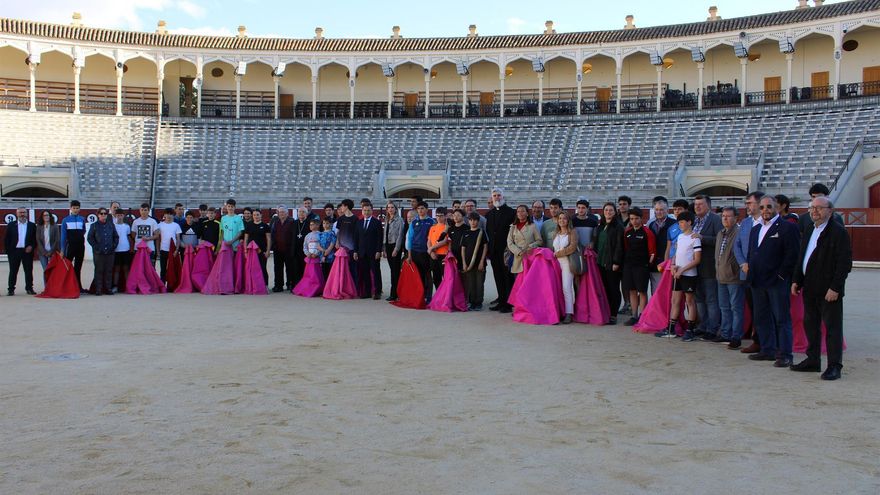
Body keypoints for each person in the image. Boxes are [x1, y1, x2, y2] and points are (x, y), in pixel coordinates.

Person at [791, 197, 852, 380]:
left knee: (832, 328)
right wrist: (797, 279)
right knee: (811, 325)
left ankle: (834, 366)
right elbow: (803, 256)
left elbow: (844, 264)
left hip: (828, 290)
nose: (814, 211)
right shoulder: (810, 229)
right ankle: (813, 360)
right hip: (809, 287)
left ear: (830, 211)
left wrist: (835, 288)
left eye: (819, 208)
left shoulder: (838, 232)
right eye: (812, 207)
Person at [747, 195, 801, 368]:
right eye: (762, 207)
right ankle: (768, 349)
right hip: (758, 281)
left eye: (769, 206)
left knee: (781, 318)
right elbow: (752, 254)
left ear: (777, 207)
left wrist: (782, 276)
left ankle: (785, 354)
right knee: (761, 317)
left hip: (776, 281)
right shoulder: (755, 229)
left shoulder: (787, 227)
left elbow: (792, 254)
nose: (765, 210)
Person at [691, 195, 723, 340]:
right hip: (693, 266)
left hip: (709, 265)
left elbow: (721, 240)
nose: (697, 207)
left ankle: (712, 327)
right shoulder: (693, 220)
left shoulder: (715, 219)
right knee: (699, 299)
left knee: (711, 299)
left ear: (708, 205)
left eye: (700, 204)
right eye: (696, 204)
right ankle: (703, 325)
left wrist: (702, 238)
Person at [667, 211, 701, 341]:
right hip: (678, 273)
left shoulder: (695, 238)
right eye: (679, 222)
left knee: (689, 301)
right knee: (675, 301)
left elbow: (697, 260)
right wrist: (673, 265)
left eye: (682, 222)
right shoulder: (680, 237)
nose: (680, 224)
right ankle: (671, 328)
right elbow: (676, 254)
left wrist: (682, 270)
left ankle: (690, 329)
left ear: (689, 222)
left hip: (689, 275)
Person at [715, 206, 744, 348]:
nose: (725, 218)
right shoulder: (721, 233)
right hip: (721, 275)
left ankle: (736, 336)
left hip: (734, 276)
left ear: (736, 218)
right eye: (723, 216)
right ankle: (725, 333)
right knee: (724, 307)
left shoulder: (739, 232)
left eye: (728, 216)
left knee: (735, 307)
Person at [592, 202, 625, 325]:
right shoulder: (601, 225)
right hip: (600, 261)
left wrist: (616, 262)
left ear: (615, 212)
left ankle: (613, 314)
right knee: (604, 288)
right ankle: (606, 312)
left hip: (612, 262)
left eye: (611, 210)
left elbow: (619, 246)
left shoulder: (618, 226)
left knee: (613, 288)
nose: (608, 212)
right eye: (606, 210)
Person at [622, 207, 655, 326]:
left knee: (642, 291)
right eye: (632, 219)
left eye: (636, 218)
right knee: (632, 291)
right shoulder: (627, 232)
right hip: (629, 266)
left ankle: (643, 315)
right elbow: (626, 248)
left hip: (642, 266)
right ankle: (634, 315)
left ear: (641, 219)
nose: (634, 221)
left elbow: (652, 251)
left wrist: (647, 264)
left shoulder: (647, 232)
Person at [485, 188, 516, 312]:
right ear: (492, 198)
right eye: (494, 196)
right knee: (497, 276)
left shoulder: (511, 213)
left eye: (498, 195)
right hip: (494, 251)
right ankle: (501, 301)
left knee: (507, 277)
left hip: (506, 251)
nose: (497, 197)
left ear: (503, 197)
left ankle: (508, 304)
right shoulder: (489, 214)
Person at [552, 212, 579, 324]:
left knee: (567, 287)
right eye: (560, 218)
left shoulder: (572, 232)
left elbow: (572, 247)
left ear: (568, 221)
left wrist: (558, 254)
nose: (562, 220)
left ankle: (569, 313)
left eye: (564, 218)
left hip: (567, 262)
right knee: (558, 288)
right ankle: (561, 311)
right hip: (556, 263)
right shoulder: (556, 233)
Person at [407, 201, 436, 302]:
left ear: (427, 210)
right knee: (418, 275)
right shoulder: (414, 222)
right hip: (415, 252)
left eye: (422, 208)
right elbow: (410, 238)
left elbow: (434, 238)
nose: (420, 210)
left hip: (426, 252)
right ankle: (420, 295)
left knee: (428, 274)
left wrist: (432, 251)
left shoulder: (432, 222)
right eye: (419, 209)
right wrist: (409, 255)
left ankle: (428, 297)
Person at [506, 204, 542, 285]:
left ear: (527, 213)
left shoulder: (533, 226)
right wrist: (519, 252)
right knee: (518, 284)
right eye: (518, 211)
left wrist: (530, 247)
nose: (520, 213)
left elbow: (539, 241)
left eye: (522, 211)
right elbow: (509, 242)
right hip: (517, 258)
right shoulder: (512, 227)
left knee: (529, 284)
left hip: (529, 257)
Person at [460, 212, 489, 311]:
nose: (473, 222)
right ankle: (472, 302)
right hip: (468, 264)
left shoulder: (481, 232)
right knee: (471, 283)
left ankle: (478, 302)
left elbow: (485, 247)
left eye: (475, 220)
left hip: (479, 263)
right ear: (468, 221)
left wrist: (482, 261)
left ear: (478, 221)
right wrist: (464, 262)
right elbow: (463, 249)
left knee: (479, 283)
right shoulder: (465, 233)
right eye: (471, 220)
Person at [5, 207, 37, 296]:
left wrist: (31, 246)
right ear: (17, 214)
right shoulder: (11, 225)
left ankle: (29, 288)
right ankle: (11, 289)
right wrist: (9, 252)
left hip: (27, 252)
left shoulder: (32, 225)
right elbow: (7, 239)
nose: (22, 214)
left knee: (28, 271)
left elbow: (35, 239)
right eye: (20, 212)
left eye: (24, 212)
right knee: (13, 271)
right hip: (14, 252)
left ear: (27, 214)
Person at [647, 198, 676, 294]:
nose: (659, 212)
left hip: (669, 263)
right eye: (657, 210)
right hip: (655, 263)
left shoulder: (674, 224)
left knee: (668, 292)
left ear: (667, 210)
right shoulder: (650, 225)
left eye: (662, 209)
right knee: (656, 292)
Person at [87, 208, 118, 295]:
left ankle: (108, 289)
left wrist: (113, 246)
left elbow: (116, 237)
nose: (103, 215)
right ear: (98, 215)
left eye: (105, 213)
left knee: (109, 270)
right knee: (98, 271)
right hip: (98, 253)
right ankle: (98, 289)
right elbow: (90, 238)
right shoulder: (94, 225)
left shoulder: (111, 225)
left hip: (110, 252)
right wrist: (96, 247)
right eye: (101, 213)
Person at [355, 201, 383, 299]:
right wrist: (355, 251)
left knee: (376, 272)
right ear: (362, 211)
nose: (366, 212)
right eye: (365, 210)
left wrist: (379, 251)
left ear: (372, 211)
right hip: (362, 252)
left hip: (374, 252)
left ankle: (377, 292)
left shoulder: (377, 222)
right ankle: (367, 292)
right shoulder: (359, 223)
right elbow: (356, 238)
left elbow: (380, 238)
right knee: (365, 272)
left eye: (368, 210)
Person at [60, 200, 88, 291]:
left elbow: (84, 231)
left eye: (77, 208)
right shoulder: (65, 220)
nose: (76, 210)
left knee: (78, 267)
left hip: (80, 246)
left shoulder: (82, 219)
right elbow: (63, 236)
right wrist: (62, 250)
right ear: (70, 208)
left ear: (79, 209)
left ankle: (78, 287)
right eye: (74, 208)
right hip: (70, 246)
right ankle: (66, 286)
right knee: (67, 267)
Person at [383, 201, 405, 302]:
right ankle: (396, 292)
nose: (390, 209)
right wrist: (384, 248)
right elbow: (385, 234)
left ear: (395, 209)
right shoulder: (387, 219)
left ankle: (395, 293)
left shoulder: (399, 220)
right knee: (393, 270)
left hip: (395, 246)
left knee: (395, 271)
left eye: (392, 207)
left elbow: (400, 235)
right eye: (389, 207)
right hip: (388, 245)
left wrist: (396, 249)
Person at [270, 205, 295, 292]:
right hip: (278, 249)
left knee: (290, 268)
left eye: (283, 212)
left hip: (288, 249)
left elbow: (294, 236)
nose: (281, 214)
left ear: (287, 213)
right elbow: (272, 235)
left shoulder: (292, 222)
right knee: (277, 268)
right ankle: (278, 285)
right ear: (278, 213)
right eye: (280, 212)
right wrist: (273, 246)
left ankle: (290, 284)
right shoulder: (275, 222)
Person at [244, 209, 271, 285]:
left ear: (261, 215)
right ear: (252, 216)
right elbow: (246, 239)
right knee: (252, 268)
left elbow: (268, 239)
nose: (256, 216)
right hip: (251, 251)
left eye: (257, 215)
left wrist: (268, 251)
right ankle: (253, 285)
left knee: (262, 268)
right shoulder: (249, 225)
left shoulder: (265, 226)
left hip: (262, 251)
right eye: (254, 215)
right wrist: (245, 250)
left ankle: (265, 285)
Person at [157, 208, 183, 282]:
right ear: (164, 215)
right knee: (163, 269)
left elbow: (178, 239)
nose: (168, 216)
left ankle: (172, 285)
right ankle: (162, 284)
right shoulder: (160, 225)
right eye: (167, 214)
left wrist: (177, 250)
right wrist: (158, 251)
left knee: (173, 268)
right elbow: (158, 239)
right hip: (163, 249)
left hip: (173, 250)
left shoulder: (176, 225)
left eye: (170, 214)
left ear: (173, 215)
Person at [427, 207, 450, 290]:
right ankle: (438, 296)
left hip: (443, 255)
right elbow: (429, 240)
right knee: (436, 278)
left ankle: (445, 297)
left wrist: (430, 249)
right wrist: (431, 252)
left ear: (445, 216)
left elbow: (444, 241)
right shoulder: (432, 227)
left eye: (441, 216)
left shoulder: (447, 227)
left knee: (445, 277)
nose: (439, 218)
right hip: (433, 255)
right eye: (437, 216)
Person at [112, 208, 132, 292]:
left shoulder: (127, 226)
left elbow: (129, 237)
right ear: (115, 216)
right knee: (116, 269)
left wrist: (131, 248)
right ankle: (115, 286)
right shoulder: (113, 226)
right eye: (118, 215)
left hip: (125, 249)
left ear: (123, 216)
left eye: (121, 215)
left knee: (126, 268)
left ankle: (128, 286)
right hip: (116, 250)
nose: (119, 217)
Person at [290, 207, 311, 287]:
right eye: (300, 212)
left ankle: (304, 286)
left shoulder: (309, 223)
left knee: (304, 269)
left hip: (305, 251)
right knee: (295, 269)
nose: (301, 213)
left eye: (303, 212)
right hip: (295, 250)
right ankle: (295, 286)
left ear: (306, 213)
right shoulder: (294, 223)